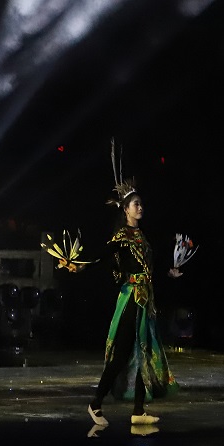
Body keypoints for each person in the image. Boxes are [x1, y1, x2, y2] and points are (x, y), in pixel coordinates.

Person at [85, 141, 178, 426]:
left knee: (143, 353)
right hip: (131, 298)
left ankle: (138, 410)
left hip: (146, 298)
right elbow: (103, 255)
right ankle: (95, 403)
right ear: (125, 209)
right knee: (123, 354)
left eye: (141, 204)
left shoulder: (142, 237)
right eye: (136, 204)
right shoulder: (123, 237)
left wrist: (169, 272)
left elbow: (147, 268)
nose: (140, 207)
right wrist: (80, 264)